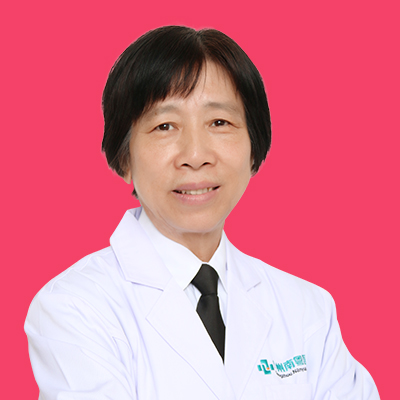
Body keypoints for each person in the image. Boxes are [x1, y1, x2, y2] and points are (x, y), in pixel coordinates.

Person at [25, 26, 380, 400]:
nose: (195, 155)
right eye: (164, 126)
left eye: (219, 123)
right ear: (124, 157)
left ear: (254, 148)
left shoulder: (307, 310)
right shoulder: (74, 308)